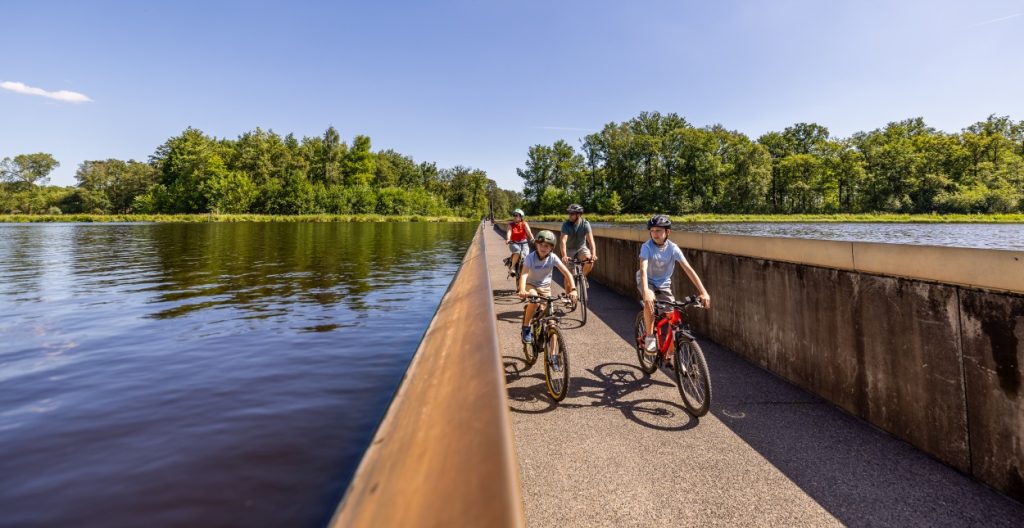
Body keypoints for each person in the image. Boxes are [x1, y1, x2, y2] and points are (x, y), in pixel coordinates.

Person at [637, 214, 711, 355]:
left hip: (663, 284)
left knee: (673, 315)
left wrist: (703, 291)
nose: (654, 234)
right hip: (646, 280)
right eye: (652, 231)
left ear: (667, 232)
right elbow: (643, 269)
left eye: (658, 231)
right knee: (650, 302)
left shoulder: (673, 248)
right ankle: (650, 336)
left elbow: (688, 269)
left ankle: (669, 355)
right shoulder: (646, 247)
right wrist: (646, 290)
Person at [518, 230, 578, 343]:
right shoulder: (530, 258)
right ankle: (526, 327)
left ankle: (554, 356)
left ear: (551, 248)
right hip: (531, 285)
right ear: (536, 244)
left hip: (545, 288)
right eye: (540, 244)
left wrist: (573, 289)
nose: (543, 248)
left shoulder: (553, 258)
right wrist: (522, 289)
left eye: (547, 246)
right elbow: (524, 274)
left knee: (552, 322)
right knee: (534, 301)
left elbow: (567, 273)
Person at [559, 203, 598, 278]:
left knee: (590, 261)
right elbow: (563, 241)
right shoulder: (566, 225)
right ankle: (569, 289)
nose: (569, 215)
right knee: (568, 277)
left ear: (579, 215)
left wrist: (593, 254)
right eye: (569, 213)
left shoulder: (585, 224)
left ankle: (583, 276)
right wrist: (564, 255)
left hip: (581, 248)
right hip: (569, 249)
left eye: (572, 213)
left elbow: (591, 241)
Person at [505, 209, 533, 274]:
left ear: (521, 217)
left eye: (516, 215)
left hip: (524, 242)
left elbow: (529, 231)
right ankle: (512, 267)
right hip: (514, 242)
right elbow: (509, 232)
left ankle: (525, 270)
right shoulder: (511, 224)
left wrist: (532, 238)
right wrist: (508, 239)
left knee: (526, 256)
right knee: (517, 251)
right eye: (514, 215)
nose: (514, 216)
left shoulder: (524, 224)